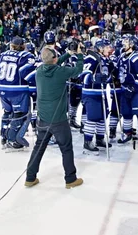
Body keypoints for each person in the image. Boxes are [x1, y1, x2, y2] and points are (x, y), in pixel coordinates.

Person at [25, 44, 84, 189]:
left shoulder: (39, 71)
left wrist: (68, 54)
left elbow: (53, 62)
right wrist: (80, 55)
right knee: (66, 148)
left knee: (39, 148)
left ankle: (30, 177)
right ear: (54, 59)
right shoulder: (60, 72)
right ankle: (70, 179)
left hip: (43, 118)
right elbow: (78, 70)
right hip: (58, 120)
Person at [0, 36, 37, 151]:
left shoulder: (2, 55)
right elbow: (28, 76)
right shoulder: (26, 56)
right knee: (20, 115)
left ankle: (4, 136)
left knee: (7, 112)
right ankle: (13, 140)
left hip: (2, 89)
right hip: (18, 90)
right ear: (23, 46)